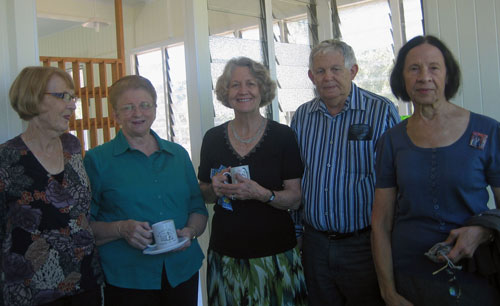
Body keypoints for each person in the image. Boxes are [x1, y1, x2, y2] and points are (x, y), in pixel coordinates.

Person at [371, 35, 500, 306]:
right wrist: (389, 292)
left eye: (434, 67)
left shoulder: (487, 131)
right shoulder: (392, 141)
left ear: (448, 75)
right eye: (414, 68)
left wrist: (483, 231)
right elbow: (380, 224)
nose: (424, 77)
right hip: (410, 280)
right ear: (402, 78)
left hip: (473, 276)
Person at [290, 39, 400, 306]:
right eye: (320, 71)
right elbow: (296, 176)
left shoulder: (380, 111)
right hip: (315, 244)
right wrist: (297, 234)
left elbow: (398, 178)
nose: (328, 77)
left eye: (336, 69)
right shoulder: (302, 116)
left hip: (364, 244)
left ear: (353, 71)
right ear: (310, 76)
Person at [83, 75, 208, 306]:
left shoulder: (178, 155)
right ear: (115, 115)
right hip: (127, 277)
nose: (138, 113)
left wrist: (190, 231)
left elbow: (197, 207)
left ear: (155, 109)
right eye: (128, 107)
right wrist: (121, 229)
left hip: (182, 270)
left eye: (144, 105)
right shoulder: (97, 160)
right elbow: (83, 225)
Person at [198, 57, 307, 305]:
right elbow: (203, 192)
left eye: (251, 84)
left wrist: (262, 194)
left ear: (262, 89)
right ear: (226, 92)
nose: (243, 91)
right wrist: (213, 189)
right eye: (235, 85)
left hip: (276, 255)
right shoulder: (213, 138)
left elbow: (295, 197)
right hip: (226, 255)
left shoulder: (283, 136)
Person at [0, 66, 103, 305]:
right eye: (62, 96)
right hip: (30, 292)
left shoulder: (72, 147)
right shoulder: (6, 158)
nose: (72, 105)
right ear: (32, 97)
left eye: (73, 97)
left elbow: (82, 214)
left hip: (85, 283)